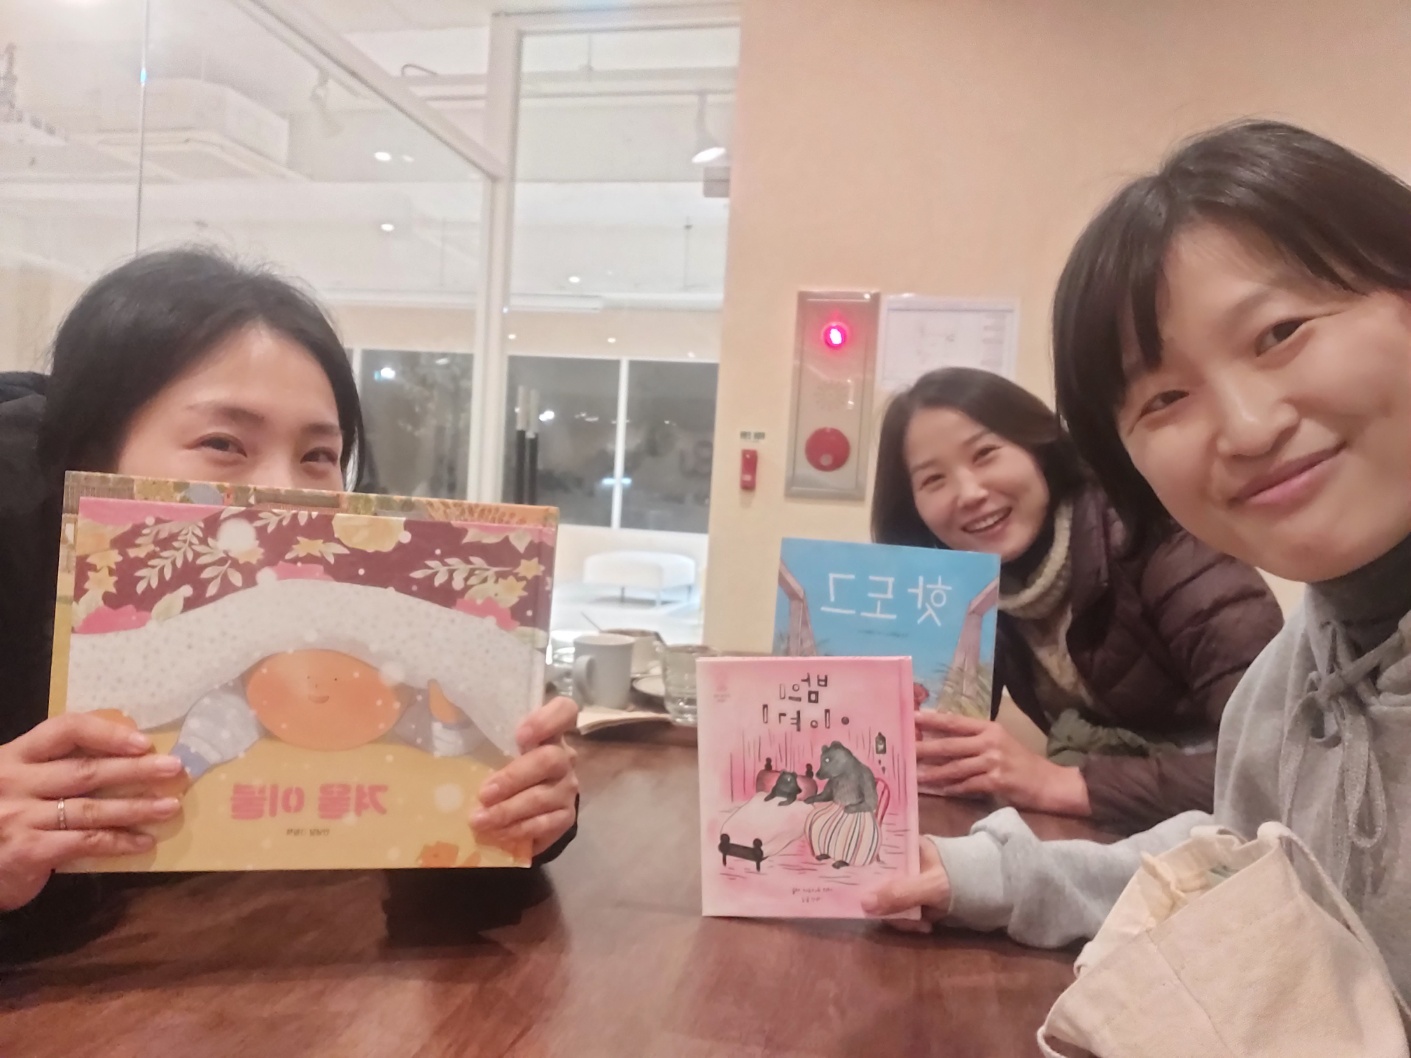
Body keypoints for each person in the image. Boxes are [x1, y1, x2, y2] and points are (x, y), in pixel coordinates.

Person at [864, 119, 1411, 1000]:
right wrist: (991, 872)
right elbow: (1241, 860)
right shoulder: (1289, 682)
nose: (1246, 428)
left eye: (1278, 333)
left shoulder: (1166, 560)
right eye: (1164, 398)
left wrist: (1056, 784)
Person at [0, 249, 580, 921]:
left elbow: (430, 802)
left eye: (318, 455)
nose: (283, 490)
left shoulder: (345, 584)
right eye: (223, 443)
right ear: (92, 454)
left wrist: (528, 801)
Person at [871, 367, 1281, 833]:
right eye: (933, 480)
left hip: (1239, 841)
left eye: (985, 454)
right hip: (1125, 829)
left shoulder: (1158, 541)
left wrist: (1059, 783)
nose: (969, 493)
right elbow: (931, 746)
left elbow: (1274, 759)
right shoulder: (975, 591)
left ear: (1038, 449)